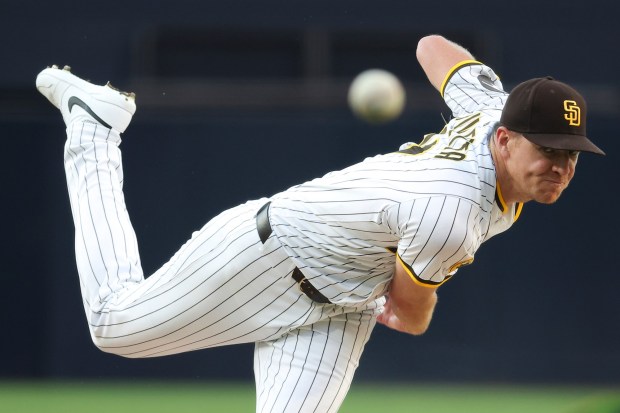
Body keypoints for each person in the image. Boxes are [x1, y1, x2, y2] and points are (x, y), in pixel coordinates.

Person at [36, 34, 604, 412]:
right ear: (504, 140)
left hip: (337, 305)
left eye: (571, 152)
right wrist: (402, 303)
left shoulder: (489, 107)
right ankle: (95, 129)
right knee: (113, 325)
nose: (560, 165)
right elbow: (409, 316)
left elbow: (432, 46)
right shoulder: (451, 210)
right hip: (270, 256)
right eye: (548, 149)